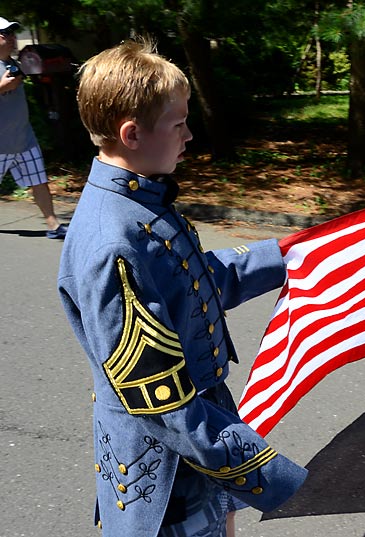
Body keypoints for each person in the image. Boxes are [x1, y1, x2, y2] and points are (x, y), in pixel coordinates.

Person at [58, 39, 307, 536]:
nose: (189, 135)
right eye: (178, 123)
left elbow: (195, 284)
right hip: (172, 470)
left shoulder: (141, 200)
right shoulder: (114, 242)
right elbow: (162, 403)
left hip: (201, 438)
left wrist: (290, 254)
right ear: (132, 134)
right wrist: (268, 474)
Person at [0, 16, 67, 239]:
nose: (11, 38)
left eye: (12, 33)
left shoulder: (13, 63)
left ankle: (53, 225)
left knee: (39, 182)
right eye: (5, 34)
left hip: (23, 139)